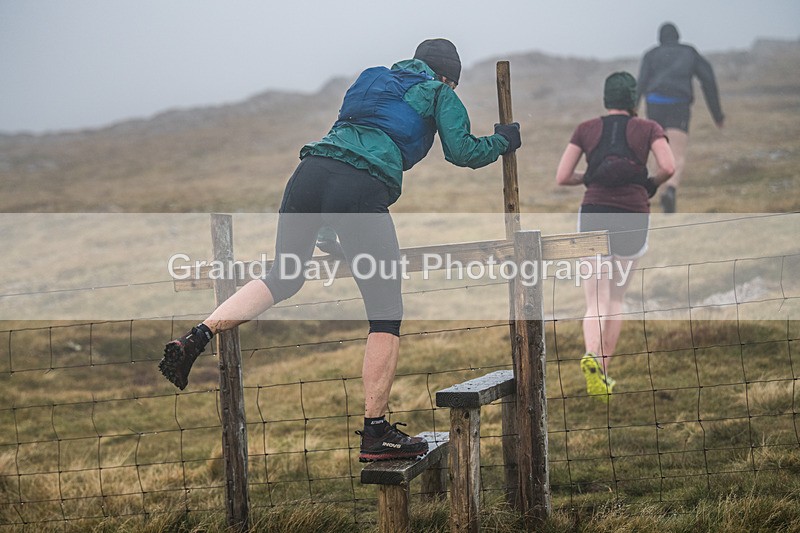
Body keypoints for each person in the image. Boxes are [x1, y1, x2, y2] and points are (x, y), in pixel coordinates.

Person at [158, 39, 521, 460]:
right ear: (447, 76)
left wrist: (334, 240)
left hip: (308, 174)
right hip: (361, 187)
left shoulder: (371, 77)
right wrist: (503, 140)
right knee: (385, 314)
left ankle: (198, 334)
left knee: (284, 277)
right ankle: (376, 433)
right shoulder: (440, 92)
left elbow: (348, 147)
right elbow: (463, 152)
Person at [555, 72, 674, 402]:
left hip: (594, 212)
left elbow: (562, 176)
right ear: (633, 100)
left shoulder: (587, 128)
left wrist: (587, 178)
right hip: (634, 215)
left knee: (595, 300)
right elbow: (669, 166)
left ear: (606, 99)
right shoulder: (648, 128)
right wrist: (648, 185)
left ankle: (591, 355)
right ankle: (603, 373)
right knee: (617, 299)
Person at [637, 22, 724, 213]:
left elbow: (640, 84)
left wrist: (632, 112)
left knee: (658, 150)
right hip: (678, 105)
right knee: (677, 152)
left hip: (655, 104)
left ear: (660, 38)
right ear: (678, 36)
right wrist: (717, 114)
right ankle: (671, 190)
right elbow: (708, 81)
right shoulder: (689, 52)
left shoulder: (651, 54)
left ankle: (658, 192)